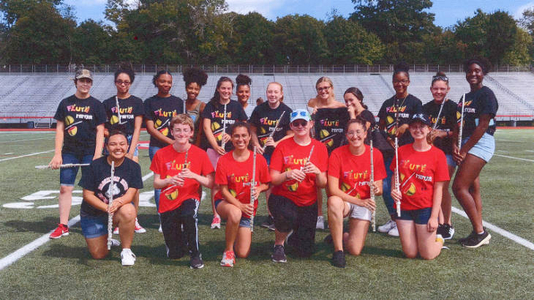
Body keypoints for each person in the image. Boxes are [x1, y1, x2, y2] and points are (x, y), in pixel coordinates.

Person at [150, 114, 215, 269]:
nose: (181, 134)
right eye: (177, 130)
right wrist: (169, 180)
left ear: (191, 133)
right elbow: (157, 183)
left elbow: (211, 183)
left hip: (189, 196)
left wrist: (193, 175)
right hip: (169, 200)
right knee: (175, 254)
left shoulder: (200, 153)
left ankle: (195, 253)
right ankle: (182, 240)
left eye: (185, 130)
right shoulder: (161, 154)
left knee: (188, 215)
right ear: (171, 131)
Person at [49, 69, 106, 239]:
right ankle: (63, 224)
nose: (85, 84)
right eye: (82, 81)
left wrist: (97, 154)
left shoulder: (96, 104)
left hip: (90, 152)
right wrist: (57, 154)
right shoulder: (65, 103)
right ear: (76, 82)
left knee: (92, 190)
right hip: (70, 151)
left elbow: (100, 131)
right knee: (65, 187)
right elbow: (60, 130)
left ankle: (93, 221)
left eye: (88, 81)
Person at [269, 109, 328, 262]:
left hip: (308, 202)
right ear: (291, 126)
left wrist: (317, 172)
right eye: (296, 124)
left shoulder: (320, 148)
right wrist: (287, 174)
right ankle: (279, 244)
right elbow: (273, 178)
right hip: (284, 197)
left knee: (304, 251)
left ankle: (293, 234)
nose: (301, 126)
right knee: (287, 214)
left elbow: (322, 184)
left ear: (311, 124)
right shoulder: (282, 146)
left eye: (304, 123)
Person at [327, 117, 386, 268]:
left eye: (358, 132)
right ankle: (338, 250)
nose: (355, 136)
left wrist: (376, 189)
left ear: (365, 134)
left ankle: (339, 234)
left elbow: (379, 189)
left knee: (354, 250)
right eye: (351, 133)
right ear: (346, 135)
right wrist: (358, 201)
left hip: (364, 202)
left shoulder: (376, 154)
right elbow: (333, 189)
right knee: (333, 202)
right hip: (346, 200)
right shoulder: (337, 153)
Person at [453, 58, 498, 248]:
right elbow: (458, 125)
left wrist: (463, 150)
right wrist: (456, 145)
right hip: (466, 142)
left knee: (458, 187)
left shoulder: (486, 94)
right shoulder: (465, 97)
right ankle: (477, 230)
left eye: (477, 71)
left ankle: (480, 232)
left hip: (480, 142)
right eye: (470, 71)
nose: (473, 74)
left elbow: (483, 126)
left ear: (483, 73)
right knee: (472, 188)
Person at [79, 131, 143, 266]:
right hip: (93, 213)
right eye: (113, 144)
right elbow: (87, 195)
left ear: (127, 146)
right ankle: (104, 237)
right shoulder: (95, 165)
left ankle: (126, 250)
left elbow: (130, 194)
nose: (118, 148)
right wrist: (106, 207)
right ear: (106, 147)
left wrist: (118, 202)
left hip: (117, 210)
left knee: (129, 210)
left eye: (122, 144)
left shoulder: (134, 167)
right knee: (99, 254)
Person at [391, 114, 449, 260]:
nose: (418, 130)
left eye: (422, 126)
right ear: (409, 129)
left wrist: (434, 217)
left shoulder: (438, 154)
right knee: (410, 253)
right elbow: (394, 175)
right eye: (414, 127)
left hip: (424, 209)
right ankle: (422, 238)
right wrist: (393, 189)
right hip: (403, 207)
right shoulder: (401, 151)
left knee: (427, 255)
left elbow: (438, 188)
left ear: (429, 129)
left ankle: (440, 238)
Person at [215, 122, 271, 267]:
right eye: (236, 136)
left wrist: (259, 189)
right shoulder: (224, 160)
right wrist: (239, 205)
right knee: (235, 213)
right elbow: (223, 191)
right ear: (231, 138)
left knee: (243, 253)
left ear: (250, 137)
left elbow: (267, 183)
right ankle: (228, 251)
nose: (240, 140)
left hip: (248, 210)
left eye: (244, 136)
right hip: (226, 204)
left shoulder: (258, 159)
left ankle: (235, 232)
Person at [377, 62, 422, 237]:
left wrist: (406, 125)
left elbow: (420, 124)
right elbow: (380, 126)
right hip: (389, 152)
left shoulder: (415, 102)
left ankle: (405, 220)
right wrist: (388, 138)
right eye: (396, 81)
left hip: (408, 152)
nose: (399, 84)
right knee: (387, 186)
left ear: (408, 82)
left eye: (403, 81)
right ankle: (394, 218)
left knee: (406, 187)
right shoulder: (388, 103)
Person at [103, 65, 146, 234]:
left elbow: (137, 128)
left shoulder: (136, 102)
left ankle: (133, 218)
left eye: (126, 82)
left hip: (129, 141)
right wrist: (110, 136)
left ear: (130, 83)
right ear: (115, 83)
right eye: (120, 81)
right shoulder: (107, 103)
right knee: (112, 180)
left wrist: (130, 150)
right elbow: (103, 127)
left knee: (132, 181)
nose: (123, 84)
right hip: (113, 142)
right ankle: (114, 218)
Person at [201, 77, 248, 229]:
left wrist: (231, 134)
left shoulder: (236, 106)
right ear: (218, 89)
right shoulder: (211, 106)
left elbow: (243, 125)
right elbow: (207, 128)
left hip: (231, 150)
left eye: (229, 89)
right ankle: (216, 216)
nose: (226, 91)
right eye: (223, 88)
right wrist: (215, 145)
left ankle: (232, 210)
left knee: (232, 182)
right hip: (214, 150)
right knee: (216, 183)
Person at [249, 82, 293, 230]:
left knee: (279, 184)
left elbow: (292, 134)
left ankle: (281, 214)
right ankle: (271, 215)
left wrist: (277, 143)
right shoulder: (259, 109)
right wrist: (255, 144)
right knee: (268, 184)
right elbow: (253, 130)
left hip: (280, 153)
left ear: (281, 94)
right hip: (263, 153)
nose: (272, 95)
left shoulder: (286, 111)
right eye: (270, 92)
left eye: (276, 92)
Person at [144, 70, 184, 228]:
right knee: (160, 182)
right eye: (162, 81)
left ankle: (175, 214)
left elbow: (180, 124)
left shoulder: (177, 102)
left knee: (176, 181)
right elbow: (150, 128)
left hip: (176, 147)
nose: (166, 84)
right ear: (156, 82)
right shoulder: (149, 102)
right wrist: (169, 141)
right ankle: (163, 217)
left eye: (168, 82)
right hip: (157, 147)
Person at [307, 77, 348, 230]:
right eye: (320, 88)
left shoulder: (341, 107)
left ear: (331, 88)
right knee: (317, 184)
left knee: (334, 186)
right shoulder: (313, 104)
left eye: (326, 88)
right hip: (319, 149)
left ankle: (335, 213)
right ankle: (319, 216)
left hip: (337, 150)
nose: (323, 91)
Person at [423, 71, 458, 240]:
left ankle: (447, 223)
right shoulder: (426, 107)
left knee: (442, 186)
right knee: (430, 186)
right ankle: (437, 220)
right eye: (435, 88)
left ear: (448, 89)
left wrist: (443, 133)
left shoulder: (453, 107)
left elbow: (458, 131)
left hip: (446, 153)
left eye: (442, 89)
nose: (438, 92)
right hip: (430, 153)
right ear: (431, 89)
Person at [182, 68, 208, 146]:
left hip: (195, 143)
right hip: (181, 142)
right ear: (186, 88)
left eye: (196, 89)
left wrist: (196, 145)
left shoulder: (202, 106)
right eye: (190, 88)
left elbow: (200, 131)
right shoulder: (181, 104)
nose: (193, 91)